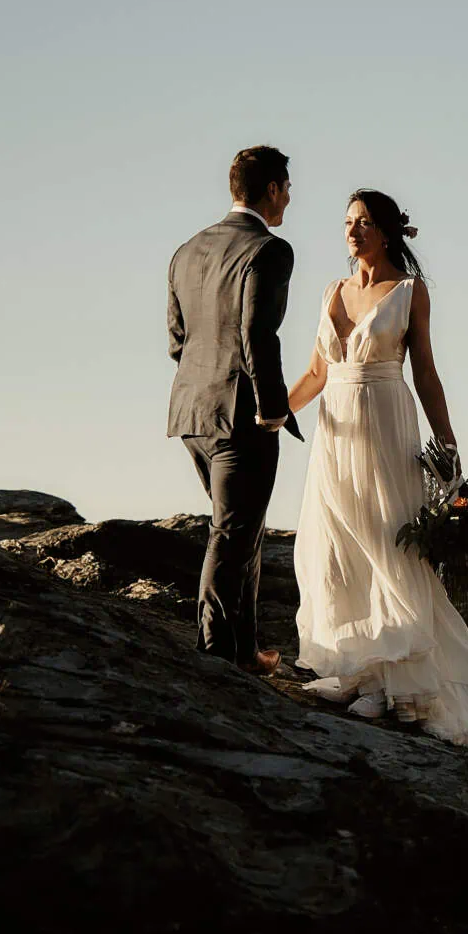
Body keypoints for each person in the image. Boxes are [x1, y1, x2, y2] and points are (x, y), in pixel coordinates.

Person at [286, 188, 468, 747]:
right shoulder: (331, 291)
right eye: (347, 222)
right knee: (336, 548)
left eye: (364, 222)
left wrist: (447, 443)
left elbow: (428, 375)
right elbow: (317, 373)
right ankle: (359, 670)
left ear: (387, 231)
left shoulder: (410, 293)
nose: (353, 231)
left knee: (388, 543)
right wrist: (270, 414)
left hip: (386, 425)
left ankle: (399, 681)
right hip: (335, 433)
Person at [165, 146, 302, 676]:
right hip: (241, 411)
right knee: (232, 532)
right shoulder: (269, 250)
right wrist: (271, 407)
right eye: (287, 188)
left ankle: (244, 653)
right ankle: (217, 654)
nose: (289, 199)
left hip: (191, 411)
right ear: (271, 189)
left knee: (242, 528)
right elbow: (256, 333)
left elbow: (177, 340)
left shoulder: (186, 250)